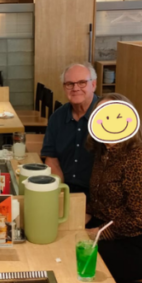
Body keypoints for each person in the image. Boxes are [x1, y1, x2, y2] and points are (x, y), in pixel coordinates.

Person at [85, 94, 142, 282]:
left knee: (78, 258)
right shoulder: (103, 152)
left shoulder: (138, 159)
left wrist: (98, 232)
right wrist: (85, 214)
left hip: (135, 241)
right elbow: (99, 197)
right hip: (105, 226)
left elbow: (140, 219)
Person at [41, 63, 101, 197]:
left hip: (100, 196)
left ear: (94, 84)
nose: (75, 88)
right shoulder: (57, 117)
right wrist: (61, 194)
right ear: (64, 87)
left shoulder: (108, 113)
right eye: (69, 84)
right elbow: (52, 160)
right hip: (65, 190)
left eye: (82, 83)